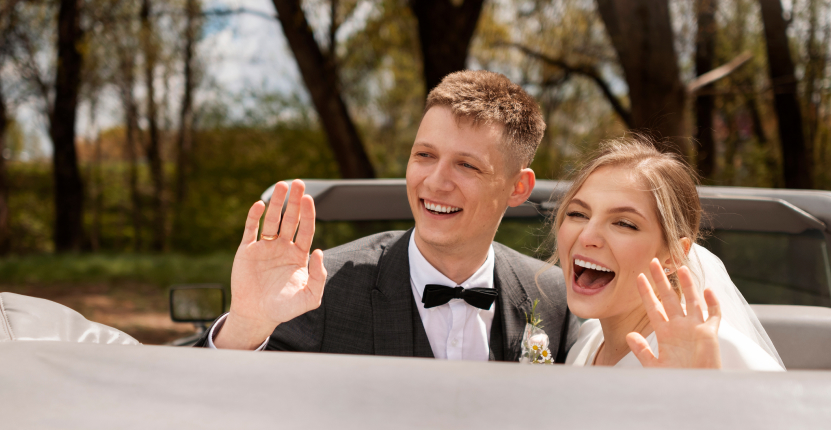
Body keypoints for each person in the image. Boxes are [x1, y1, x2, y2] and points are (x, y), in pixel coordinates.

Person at [195, 70, 580, 362]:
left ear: (517, 187)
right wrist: (246, 323)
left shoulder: (555, 297)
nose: (436, 181)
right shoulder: (322, 286)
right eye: (424, 155)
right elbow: (218, 403)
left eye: (466, 165)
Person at [554, 137, 785, 370]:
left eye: (624, 223)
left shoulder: (712, 349)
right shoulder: (585, 343)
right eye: (577, 214)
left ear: (674, 255)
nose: (586, 237)